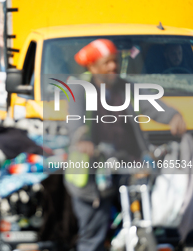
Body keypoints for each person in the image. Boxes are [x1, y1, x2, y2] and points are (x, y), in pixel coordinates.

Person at [66, 39, 186, 251]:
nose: (113, 67)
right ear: (93, 67)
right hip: (91, 174)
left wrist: (172, 116)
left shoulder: (125, 87)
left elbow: (150, 104)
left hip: (126, 164)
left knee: (143, 221)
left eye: (115, 62)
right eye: (107, 63)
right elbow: (76, 121)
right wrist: (82, 139)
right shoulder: (79, 88)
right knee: (93, 238)